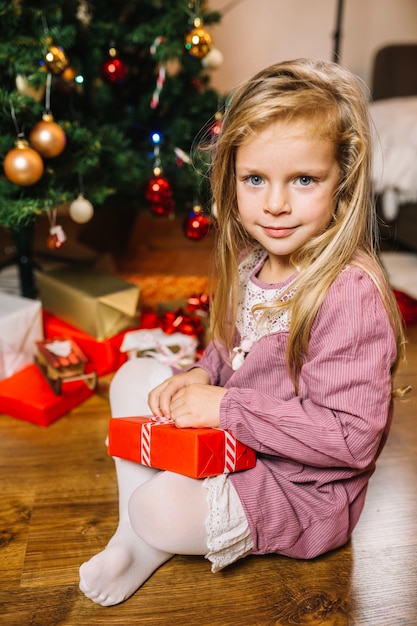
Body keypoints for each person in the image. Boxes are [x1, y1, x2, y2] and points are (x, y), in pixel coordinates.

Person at [79, 58, 408, 607]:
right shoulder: (254, 262)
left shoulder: (349, 293)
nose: (275, 204)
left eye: (303, 180)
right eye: (255, 179)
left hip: (300, 489)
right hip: (242, 442)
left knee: (157, 507)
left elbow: (350, 441)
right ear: (230, 178)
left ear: (342, 181)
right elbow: (229, 351)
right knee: (135, 378)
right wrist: (199, 374)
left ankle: (143, 528)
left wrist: (225, 408)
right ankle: (135, 538)